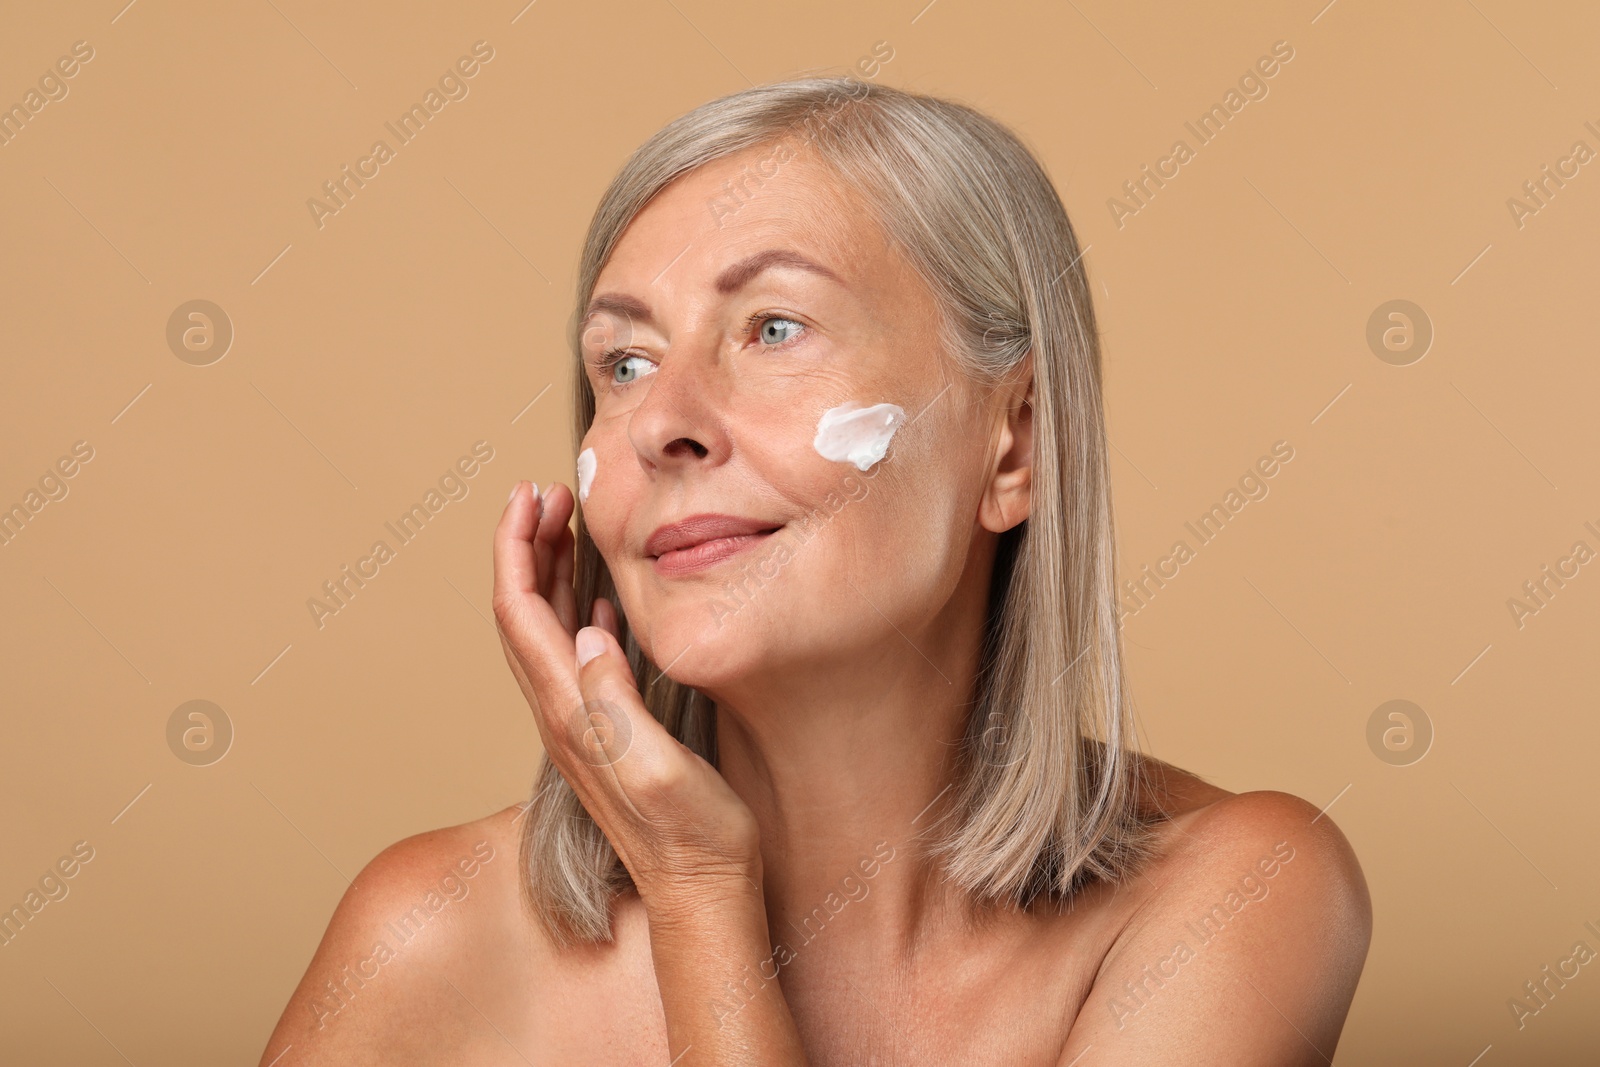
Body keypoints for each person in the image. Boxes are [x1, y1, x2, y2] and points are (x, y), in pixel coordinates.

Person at [260, 75, 1370, 1066]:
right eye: (626, 361)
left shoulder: (1240, 892)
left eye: (773, 328)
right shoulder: (429, 936)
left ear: (1016, 441)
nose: (662, 425)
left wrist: (701, 899)